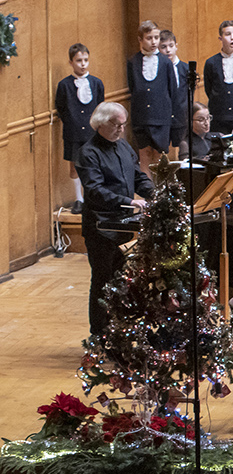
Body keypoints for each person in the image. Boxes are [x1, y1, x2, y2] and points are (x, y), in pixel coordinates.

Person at [76, 102, 153, 335]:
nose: (120, 129)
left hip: (123, 225)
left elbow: (139, 178)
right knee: (102, 281)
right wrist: (130, 201)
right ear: (100, 123)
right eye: (116, 124)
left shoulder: (124, 147)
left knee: (121, 280)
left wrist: (156, 193)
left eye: (123, 125)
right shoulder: (88, 152)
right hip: (101, 227)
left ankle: (119, 330)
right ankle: (99, 335)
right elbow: (95, 190)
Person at [54, 43, 104, 211]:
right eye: (78, 61)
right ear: (71, 62)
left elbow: (100, 105)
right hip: (73, 132)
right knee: (74, 166)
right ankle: (79, 199)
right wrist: (71, 121)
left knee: (93, 165)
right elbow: (60, 107)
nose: (83, 64)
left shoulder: (96, 83)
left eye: (85, 60)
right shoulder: (64, 85)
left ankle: (92, 198)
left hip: (92, 132)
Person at [127, 20, 178, 173]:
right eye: (149, 38)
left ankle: (160, 190)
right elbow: (133, 88)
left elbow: (172, 90)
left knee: (160, 155)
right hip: (141, 116)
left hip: (161, 116)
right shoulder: (133, 62)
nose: (154, 41)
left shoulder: (165, 63)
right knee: (144, 154)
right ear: (140, 40)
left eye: (156, 38)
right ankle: (148, 192)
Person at [159, 29, 189, 154]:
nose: (168, 50)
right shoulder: (157, 69)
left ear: (176, 46)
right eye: (163, 47)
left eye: (171, 46)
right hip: (163, 117)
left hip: (181, 117)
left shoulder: (185, 68)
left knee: (181, 149)